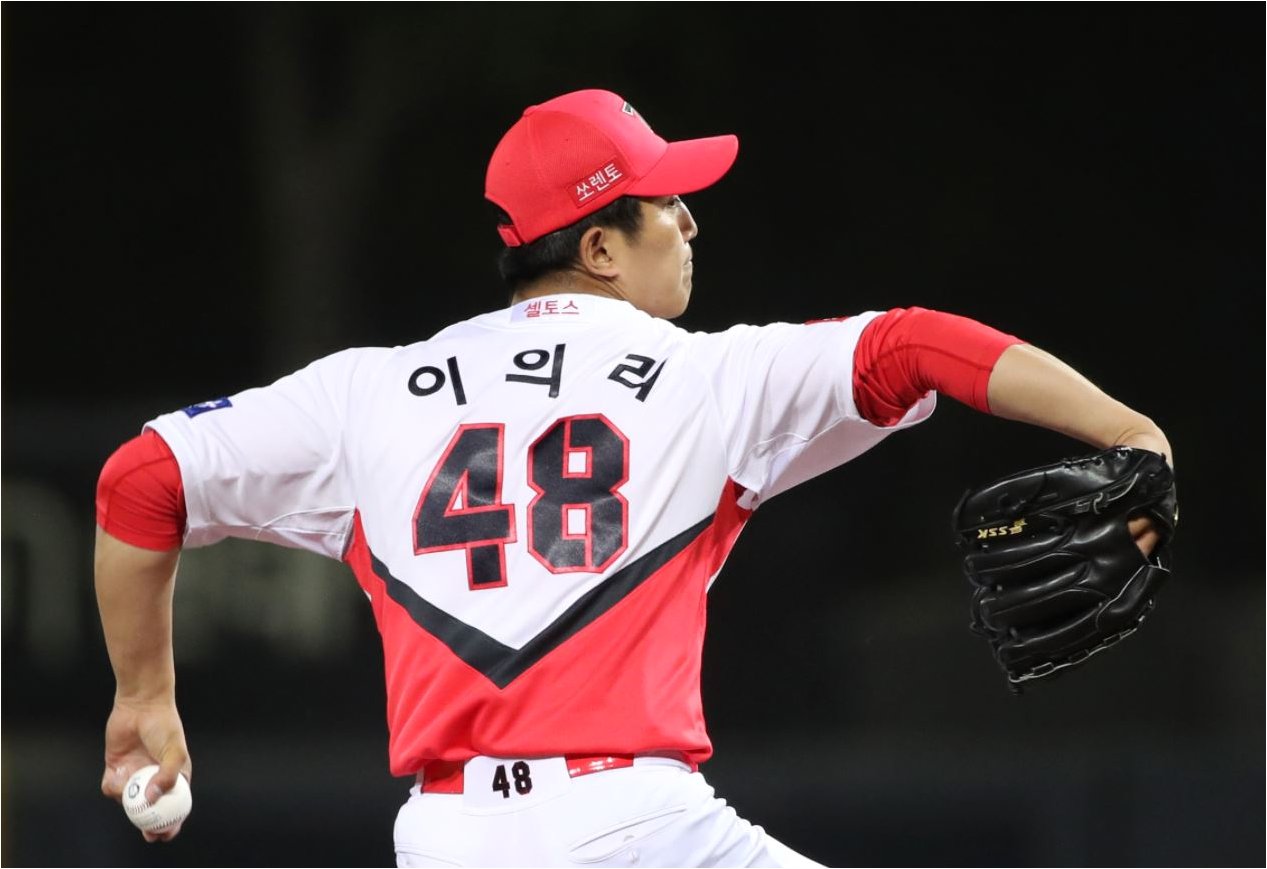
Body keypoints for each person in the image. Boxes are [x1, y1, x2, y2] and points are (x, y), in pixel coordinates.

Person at [94, 88, 1173, 867]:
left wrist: (144, 694)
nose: (690, 219)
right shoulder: (705, 377)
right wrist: (1130, 433)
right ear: (601, 249)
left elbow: (140, 478)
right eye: (665, 200)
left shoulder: (366, 392)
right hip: (633, 826)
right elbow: (914, 344)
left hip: (447, 836)